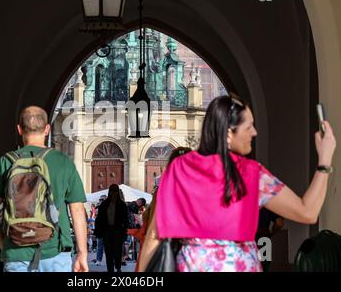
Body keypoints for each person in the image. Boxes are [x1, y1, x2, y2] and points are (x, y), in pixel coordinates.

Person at [139, 95, 336, 272]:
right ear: (228, 134)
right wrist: (325, 159)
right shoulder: (250, 173)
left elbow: (154, 236)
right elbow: (307, 212)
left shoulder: (179, 168)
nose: (255, 132)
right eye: (249, 126)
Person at [0, 106, 88, 272]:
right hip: (56, 252)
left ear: (19, 129)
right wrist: (82, 253)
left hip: (17, 252)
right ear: (47, 129)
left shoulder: (6, 162)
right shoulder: (63, 161)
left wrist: (5, 245)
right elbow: (77, 211)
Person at [94, 184, 129, 272]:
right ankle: (110, 269)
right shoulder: (104, 204)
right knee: (108, 252)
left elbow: (126, 220)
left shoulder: (122, 205)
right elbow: (99, 219)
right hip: (107, 231)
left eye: (115, 191)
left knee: (118, 251)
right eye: (112, 191)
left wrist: (125, 232)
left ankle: (118, 266)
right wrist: (98, 232)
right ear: (109, 192)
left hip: (118, 231)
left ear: (117, 192)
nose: (113, 193)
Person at [92, 195, 107, 266]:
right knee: (99, 246)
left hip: (108, 230)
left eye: (102, 200)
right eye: (100, 199)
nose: (101, 201)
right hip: (100, 230)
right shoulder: (98, 207)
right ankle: (98, 260)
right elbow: (96, 214)